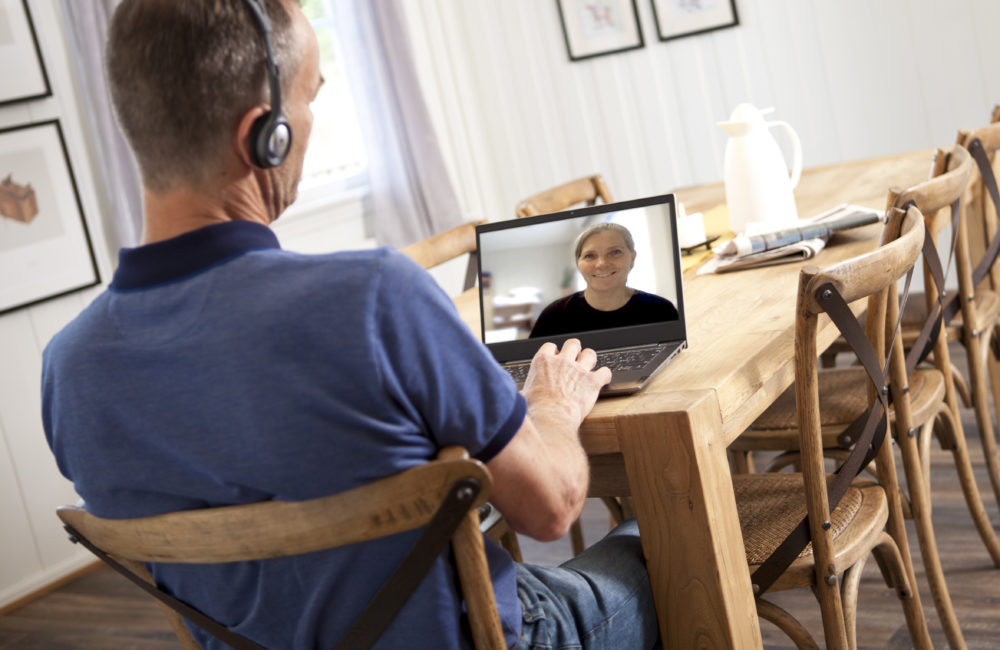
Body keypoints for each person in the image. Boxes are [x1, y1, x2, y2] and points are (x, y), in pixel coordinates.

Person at [40, 1, 660, 648]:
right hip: (490, 638)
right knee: (669, 532)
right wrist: (551, 407)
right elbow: (553, 507)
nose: (310, 120)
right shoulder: (374, 296)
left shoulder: (68, 371)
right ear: (265, 134)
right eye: (310, 96)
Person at [530, 222, 679, 338]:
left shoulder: (661, 311)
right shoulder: (553, 317)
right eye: (589, 256)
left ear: (632, 258)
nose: (601, 263)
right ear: (578, 264)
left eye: (615, 252)